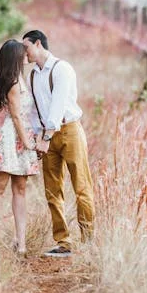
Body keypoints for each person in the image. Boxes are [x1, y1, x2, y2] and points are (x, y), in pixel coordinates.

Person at [22, 30, 95, 258]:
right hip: (46, 135)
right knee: (52, 189)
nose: (24, 53)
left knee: (81, 186)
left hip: (69, 130)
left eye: (26, 47)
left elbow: (57, 105)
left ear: (37, 43)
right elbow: (34, 110)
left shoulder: (62, 68)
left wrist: (46, 137)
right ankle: (64, 242)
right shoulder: (33, 75)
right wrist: (36, 136)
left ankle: (88, 241)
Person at [0, 39, 39, 257]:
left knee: (21, 190)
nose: (26, 55)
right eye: (22, 53)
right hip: (12, 137)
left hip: (22, 135)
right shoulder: (13, 83)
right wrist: (26, 142)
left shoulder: (21, 79)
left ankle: (21, 240)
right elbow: (15, 115)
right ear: (14, 57)